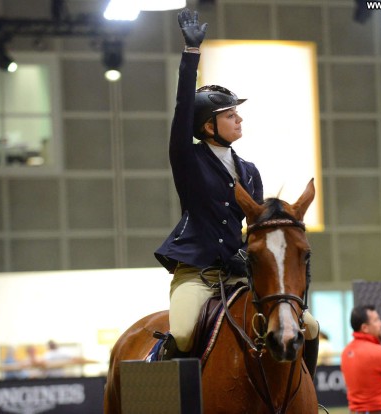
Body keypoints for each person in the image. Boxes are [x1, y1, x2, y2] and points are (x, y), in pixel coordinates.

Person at [154, 8, 320, 378]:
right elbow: (182, 110)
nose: (239, 119)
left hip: (238, 273)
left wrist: (244, 254)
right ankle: (173, 396)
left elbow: (256, 227)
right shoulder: (188, 159)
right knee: (183, 333)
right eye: (230, 115)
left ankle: (308, 392)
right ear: (208, 126)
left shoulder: (249, 171)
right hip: (196, 273)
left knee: (309, 326)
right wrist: (191, 54)